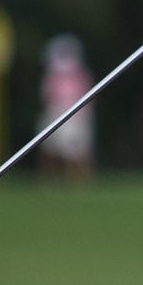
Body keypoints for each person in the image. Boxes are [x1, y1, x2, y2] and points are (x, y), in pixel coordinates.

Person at [36, 33, 94, 179]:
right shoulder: (52, 75)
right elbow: (47, 97)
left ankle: (79, 178)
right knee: (50, 148)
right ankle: (50, 178)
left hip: (77, 116)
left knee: (77, 151)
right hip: (55, 112)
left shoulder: (80, 74)